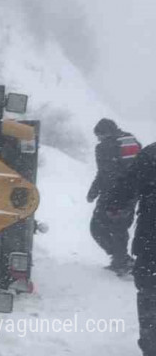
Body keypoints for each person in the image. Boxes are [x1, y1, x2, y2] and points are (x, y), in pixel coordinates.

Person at [109, 142, 156, 355]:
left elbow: (127, 184)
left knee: (149, 291)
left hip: (151, 237)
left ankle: (151, 344)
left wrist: (114, 204)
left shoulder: (151, 153)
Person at [86, 118, 141, 274]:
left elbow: (104, 173)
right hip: (130, 193)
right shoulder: (130, 140)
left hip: (113, 194)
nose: (98, 139)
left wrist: (93, 192)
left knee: (97, 227)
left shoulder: (104, 147)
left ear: (104, 133)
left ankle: (121, 260)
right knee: (119, 227)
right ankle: (121, 259)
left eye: (99, 136)